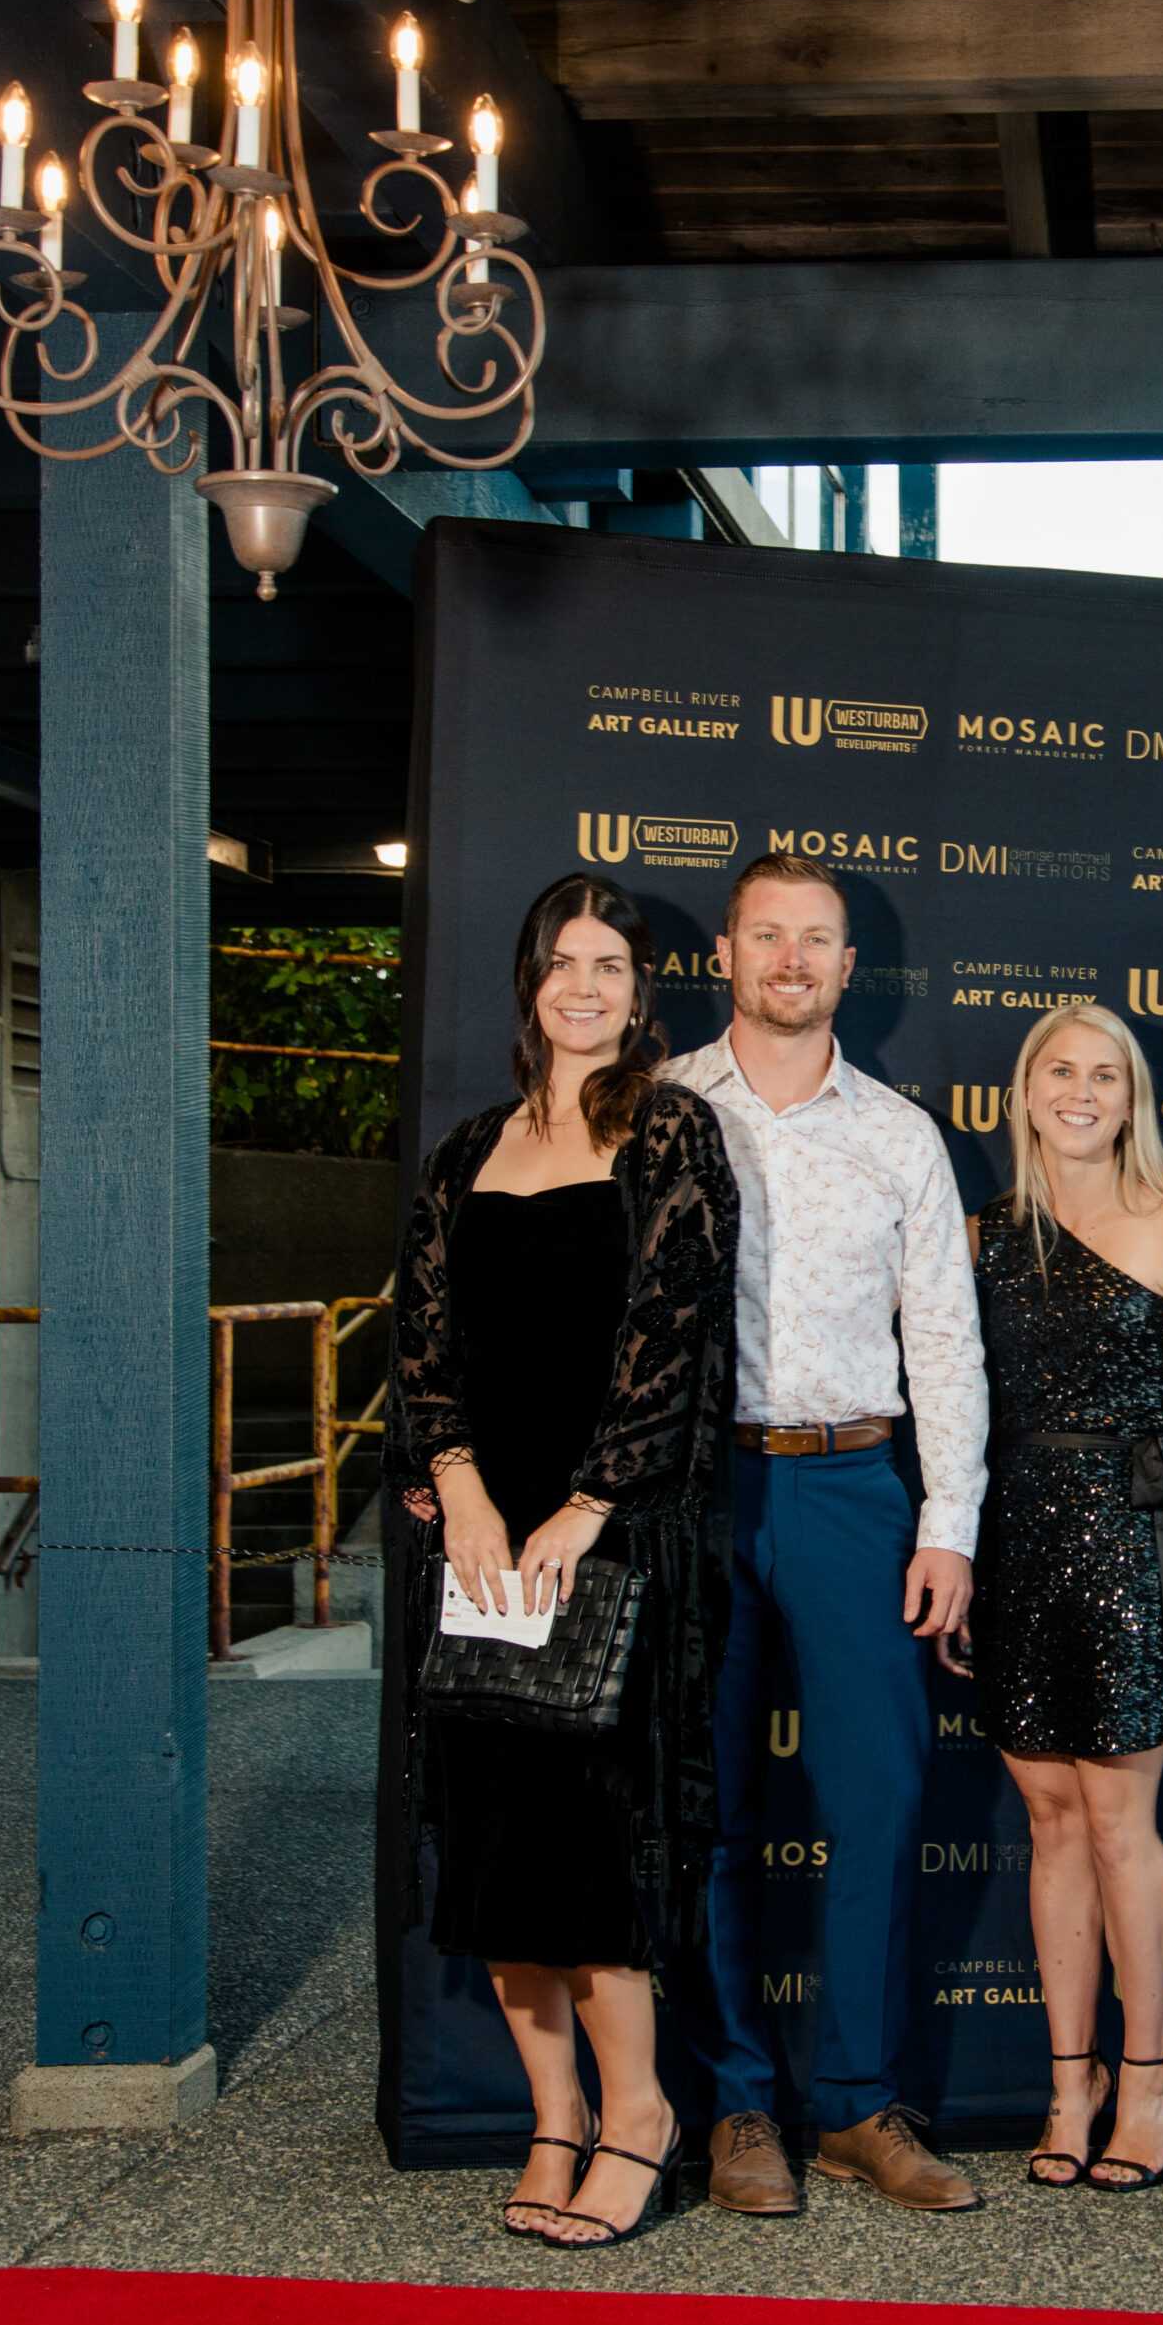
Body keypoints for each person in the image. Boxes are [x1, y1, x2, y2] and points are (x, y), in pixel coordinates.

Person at [387, 873, 739, 2251]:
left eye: (610, 965)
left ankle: (639, 2114)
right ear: (529, 980)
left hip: (611, 1533)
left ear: (642, 991)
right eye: (562, 962)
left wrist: (586, 1506)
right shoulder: (464, 1148)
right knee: (492, 1837)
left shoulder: (668, 1131)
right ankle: (551, 2115)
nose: (584, 986)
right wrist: (463, 1493)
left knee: (597, 1844)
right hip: (476, 1540)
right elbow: (419, 1342)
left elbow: (674, 1332)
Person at [664, 852, 990, 2217]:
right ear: (727, 956)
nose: (792, 959)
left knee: (879, 1804)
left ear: (851, 967)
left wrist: (949, 1523)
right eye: (768, 936)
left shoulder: (900, 1134)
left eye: (818, 940)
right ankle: (740, 2106)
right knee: (710, 1815)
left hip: (859, 1490)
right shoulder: (662, 1110)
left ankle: (859, 2106)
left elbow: (945, 1341)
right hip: (694, 1493)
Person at [969, 1004, 1163, 2193]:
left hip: (1134, 1541)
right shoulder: (982, 1237)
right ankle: (1066, 2082)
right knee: (1052, 1820)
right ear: (1023, 1093)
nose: (1081, 1092)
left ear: (1134, 1100)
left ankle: (1148, 2074)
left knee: (1123, 1819)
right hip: (1017, 1535)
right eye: (1059, 1071)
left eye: (1105, 1076)